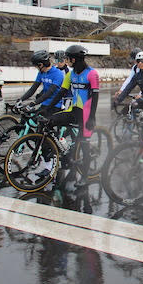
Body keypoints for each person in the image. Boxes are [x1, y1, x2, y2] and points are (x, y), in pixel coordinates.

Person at [44, 45, 99, 187]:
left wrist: (92, 118)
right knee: (49, 121)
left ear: (74, 59)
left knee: (84, 145)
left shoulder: (92, 74)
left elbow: (95, 98)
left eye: (68, 58)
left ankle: (85, 176)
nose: (66, 61)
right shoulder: (71, 74)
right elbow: (61, 92)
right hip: (73, 111)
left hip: (86, 114)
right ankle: (63, 152)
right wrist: (47, 109)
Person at [15, 50, 64, 115]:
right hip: (44, 104)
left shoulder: (58, 74)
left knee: (37, 119)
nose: (36, 68)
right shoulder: (41, 73)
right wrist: (21, 99)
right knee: (28, 116)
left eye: (36, 66)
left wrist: (34, 103)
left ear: (41, 65)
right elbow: (33, 89)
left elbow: (49, 92)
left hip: (55, 106)